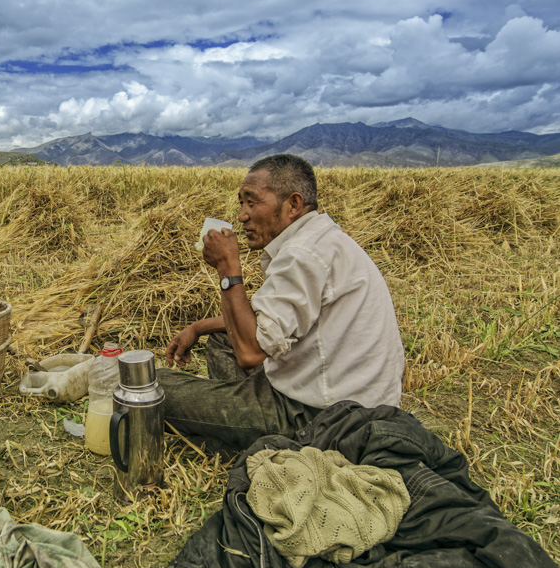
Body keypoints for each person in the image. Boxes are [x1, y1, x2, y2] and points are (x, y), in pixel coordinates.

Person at [158, 153, 405, 452]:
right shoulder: (320, 239)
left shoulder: (302, 255)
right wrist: (199, 327)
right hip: (352, 401)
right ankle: (234, 422)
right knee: (222, 340)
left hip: (326, 421)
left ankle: (241, 433)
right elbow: (270, 326)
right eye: (241, 203)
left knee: (153, 386)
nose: (242, 216)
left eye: (252, 202)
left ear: (293, 205)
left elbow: (250, 353)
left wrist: (227, 268)